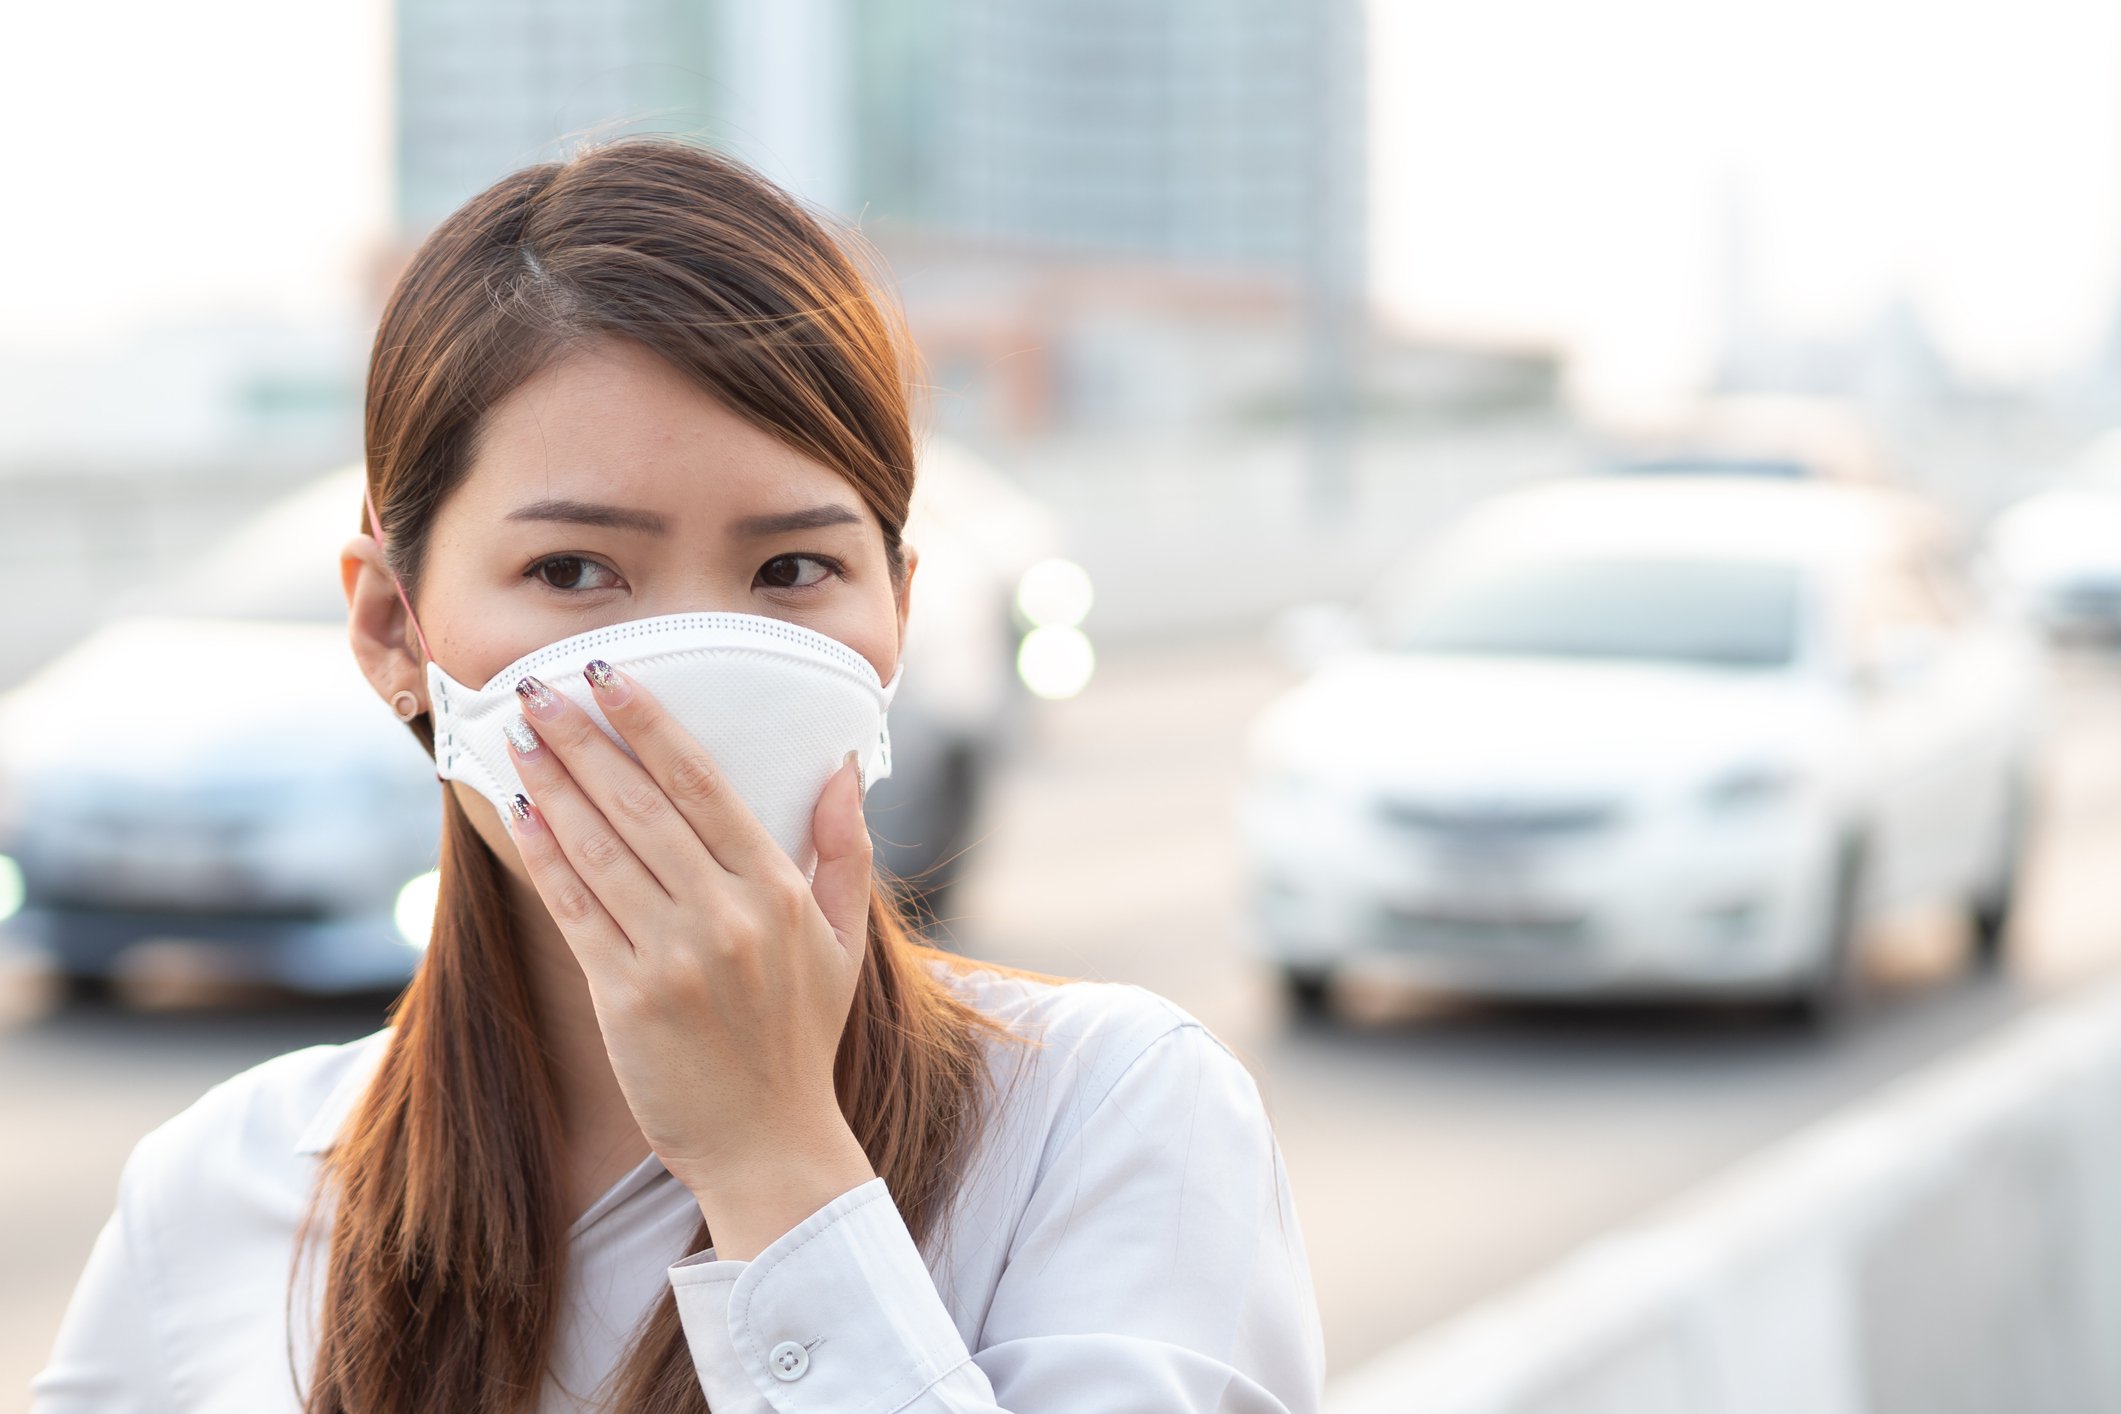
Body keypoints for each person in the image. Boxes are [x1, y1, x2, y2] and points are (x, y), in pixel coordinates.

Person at [29, 137, 1325, 1413]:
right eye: (573, 571)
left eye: (790, 573)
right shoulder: (217, 1199)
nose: (686, 679)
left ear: (894, 619)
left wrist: (772, 1158)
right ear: (389, 628)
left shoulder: (1110, 1119)